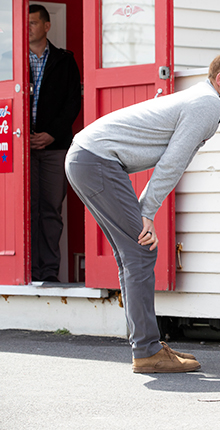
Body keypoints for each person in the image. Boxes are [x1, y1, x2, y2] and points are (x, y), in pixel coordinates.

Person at [65, 50, 220, 373]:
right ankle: (147, 351)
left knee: (131, 253)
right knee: (140, 251)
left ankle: (147, 346)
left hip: (87, 158)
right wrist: (147, 211)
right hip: (96, 160)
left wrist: (144, 209)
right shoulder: (207, 103)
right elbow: (173, 162)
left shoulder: (201, 100)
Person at [28, 4, 81, 282]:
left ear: (47, 26)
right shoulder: (10, 60)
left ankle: (48, 273)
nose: (27, 29)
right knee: (26, 211)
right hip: (19, 148)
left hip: (55, 147)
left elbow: (73, 103)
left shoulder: (64, 61)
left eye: (33, 23)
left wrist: (51, 134)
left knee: (50, 210)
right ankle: (26, 272)